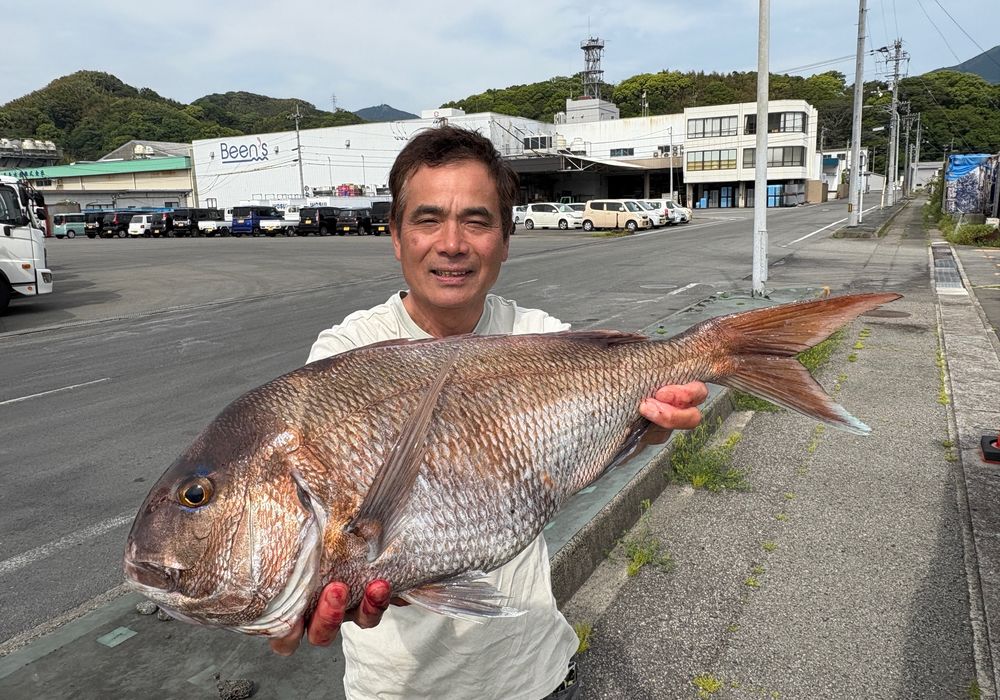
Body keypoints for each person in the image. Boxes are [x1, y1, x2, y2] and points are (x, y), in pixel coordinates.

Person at [269, 125, 708, 698]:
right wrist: (285, 593)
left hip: (533, 672)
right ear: (396, 237)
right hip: (397, 689)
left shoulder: (539, 338)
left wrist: (647, 429)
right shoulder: (342, 357)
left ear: (505, 239)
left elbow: (590, 452)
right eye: (427, 220)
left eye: (476, 221)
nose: (452, 243)